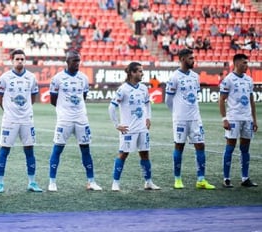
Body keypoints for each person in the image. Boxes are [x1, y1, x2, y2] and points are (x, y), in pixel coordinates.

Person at [48, 50, 102, 192]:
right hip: (64, 119)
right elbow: (53, 100)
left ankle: (91, 181)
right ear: (67, 62)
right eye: (74, 61)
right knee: (58, 148)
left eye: (78, 61)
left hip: (81, 119)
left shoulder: (83, 78)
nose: (77, 63)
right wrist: (64, 109)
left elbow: (83, 97)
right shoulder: (57, 78)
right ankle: (52, 182)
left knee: (85, 149)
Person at [165, 48, 215, 190]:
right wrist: (176, 114)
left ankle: (201, 180)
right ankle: (177, 179)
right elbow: (168, 100)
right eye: (190, 58)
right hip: (180, 119)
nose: (193, 60)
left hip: (195, 118)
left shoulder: (195, 76)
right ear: (182, 59)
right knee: (179, 146)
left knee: (200, 145)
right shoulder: (174, 76)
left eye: (193, 58)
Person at [0, 49, 42, 193]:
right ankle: (0, 183)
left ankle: (32, 183)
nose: (20, 61)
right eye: (17, 59)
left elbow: (33, 97)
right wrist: (8, 110)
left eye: (22, 59)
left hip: (27, 120)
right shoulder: (5, 78)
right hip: (10, 120)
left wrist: (25, 110)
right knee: (4, 150)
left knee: (29, 150)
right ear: (12, 61)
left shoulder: (31, 77)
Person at [108, 62, 161, 191]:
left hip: (142, 128)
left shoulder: (143, 88)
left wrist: (148, 117)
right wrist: (117, 124)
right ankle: (115, 183)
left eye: (142, 71)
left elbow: (147, 104)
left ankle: (148, 182)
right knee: (123, 154)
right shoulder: (123, 89)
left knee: (145, 154)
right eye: (139, 71)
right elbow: (111, 107)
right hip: (128, 129)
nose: (142, 74)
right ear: (132, 73)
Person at [219, 54, 258, 188]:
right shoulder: (228, 80)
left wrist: (254, 119)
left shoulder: (249, 80)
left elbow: (252, 101)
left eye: (247, 63)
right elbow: (221, 100)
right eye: (244, 63)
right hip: (234, 118)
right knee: (230, 146)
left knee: (245, 149)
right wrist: (224, 119)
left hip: (247, 119)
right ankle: (226, 178)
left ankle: (245, 178)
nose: (246, 65)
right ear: (236, 64)